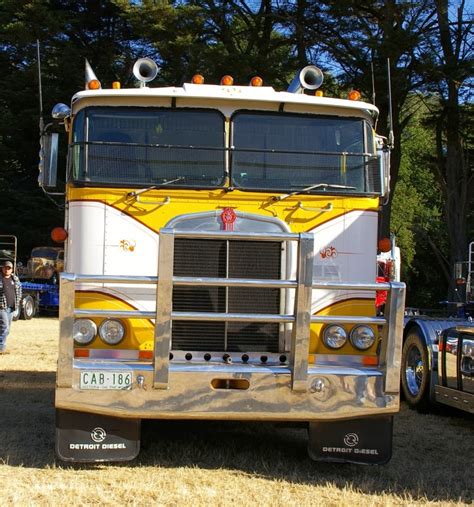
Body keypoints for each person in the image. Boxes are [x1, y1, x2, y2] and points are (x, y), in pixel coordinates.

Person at [0, 260, 22, 354]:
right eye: (6, 268)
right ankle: (1, 348)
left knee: (7, 329)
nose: (7, 270)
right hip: (2, 308)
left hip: (11, 307)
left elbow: (19, 291)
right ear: (2, 268)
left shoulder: (15, 279)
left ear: (12, 269)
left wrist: (18, 301)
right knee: (5, 327)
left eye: (9, 268)